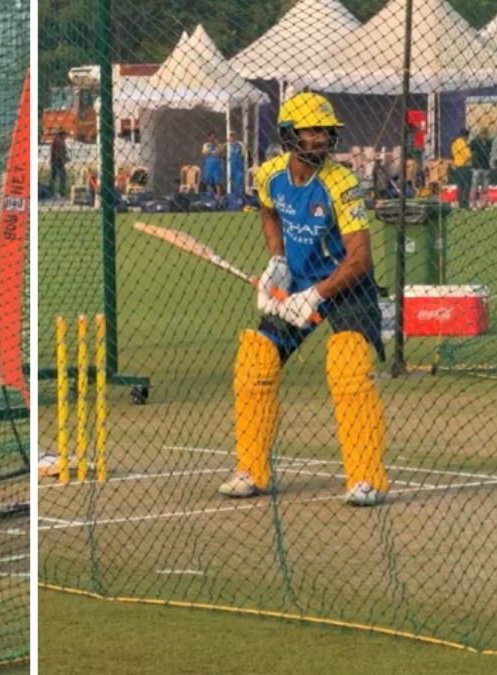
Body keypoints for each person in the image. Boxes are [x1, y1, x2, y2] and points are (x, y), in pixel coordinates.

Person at [218, 92, 390, 507]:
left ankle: (366, 479)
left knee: (348, 362)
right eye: (311, 131)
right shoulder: (271, 175)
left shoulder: (341, 183)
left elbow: (361, 259)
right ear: (288, 136)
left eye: (325, 131)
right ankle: (251, 470)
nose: (321, 138)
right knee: (256, 357)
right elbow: (268, 210)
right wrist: (277, 260)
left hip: (345, 284)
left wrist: (314, 295)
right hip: (296, 281)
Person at [469, 128, 492, 209]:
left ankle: (483, 204)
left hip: (486, 167)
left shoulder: (489, 142)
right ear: (480, 134)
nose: (485, 136)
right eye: (483, 134)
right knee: (474, 187)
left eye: (486, 134)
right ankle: (473, 204)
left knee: (485, 188)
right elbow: (470, 151)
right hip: (477, 167)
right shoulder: (474, 142)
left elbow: (489, 153)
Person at [450, 128, 472, 209]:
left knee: (460, 185)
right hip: (464, 166)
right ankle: (465, 203)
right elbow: (468, 155)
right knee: (467, 185)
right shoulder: (462, 142)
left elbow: (452, 154)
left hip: (457, 166)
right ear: (465, 136)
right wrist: (468, 160)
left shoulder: (454, 143)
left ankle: (460, 203)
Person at [226, 132, 246, 209]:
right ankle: (231, 200)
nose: (232, 138)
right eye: (230, 136)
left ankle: (239, 200)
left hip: (238, 167)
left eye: (233, 136)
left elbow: (244, 154)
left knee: (239, 183)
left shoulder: (240, 144)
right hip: (230, 167)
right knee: (231, 184)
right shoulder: (227, 145)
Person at [201, 131, 224, 195]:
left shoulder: (219, 145)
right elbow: (206, 154)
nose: (213, 138)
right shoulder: (206, 145)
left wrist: (217, 145)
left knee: (217, 182)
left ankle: (219, 195)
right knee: (208, 182)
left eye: (214, 137)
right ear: (209, 137)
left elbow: (219, 154)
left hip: (216, 166)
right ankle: (209, 195)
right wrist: (211, 148)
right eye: (212, 137)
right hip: (209, 165)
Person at [50, 128, 69, 199]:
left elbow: (62, 153)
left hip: (58, 162)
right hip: (57, 162)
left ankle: (56, 192)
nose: (65, 137)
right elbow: (58, 153)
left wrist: (65, 158)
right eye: (64, 135)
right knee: (60, 177)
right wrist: (63, 159)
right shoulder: (58, 142)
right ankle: (61, 192)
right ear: (62, 135)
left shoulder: (61, 142)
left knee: (56, 177)